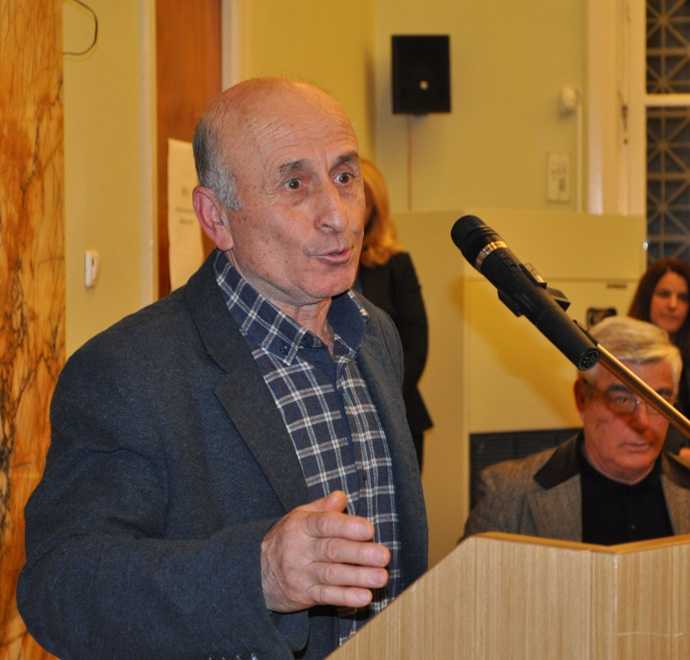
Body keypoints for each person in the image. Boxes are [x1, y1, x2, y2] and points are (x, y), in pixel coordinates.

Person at [18, 78, 428, 659]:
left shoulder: (374, 333)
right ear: (216, 217)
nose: (338, 216)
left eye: (344, 176)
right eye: (294, 184)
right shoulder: (129, 371)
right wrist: (257, 574)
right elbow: (60, 586)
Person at [464, 316, 690, 544]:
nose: (642, 421)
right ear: (582, 398)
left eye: (659, 401)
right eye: (622, 399)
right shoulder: (508, 493)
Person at [356, 158, 432, 470]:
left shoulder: (396, 263)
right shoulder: (317, 264)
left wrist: (382, 395)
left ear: (375, 208)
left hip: (399, 410)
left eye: (361, 199)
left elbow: (416, 344)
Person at [628, 256, 690, 457]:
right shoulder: (628, 354)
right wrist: (681, 451)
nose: (673, 304)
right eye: (664, 294)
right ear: (647, 299)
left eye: (683, 297)